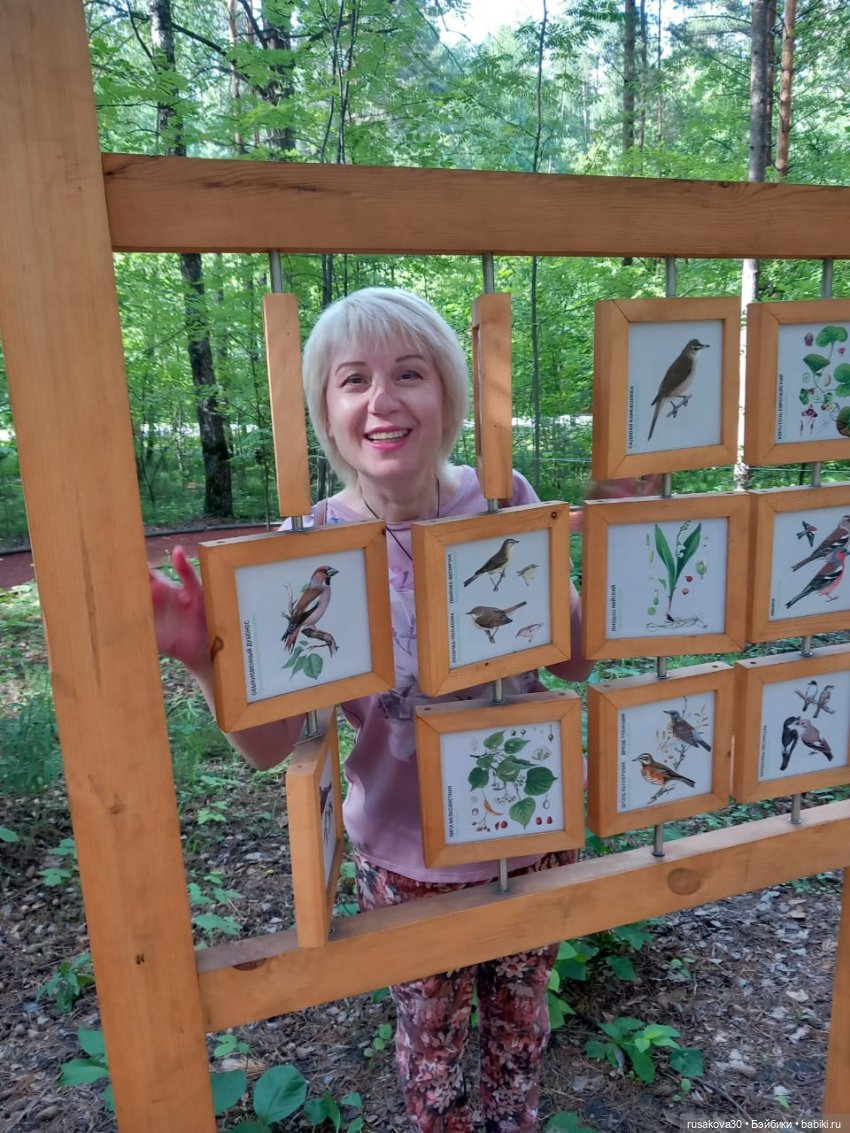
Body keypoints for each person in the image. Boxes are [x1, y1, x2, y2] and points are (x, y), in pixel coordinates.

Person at [149, 287, 593, 1133]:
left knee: (519, 1028)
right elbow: (271, 744)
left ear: (449, 396)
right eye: (353, 379)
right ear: (326, 410)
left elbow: (572, 658)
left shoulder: (500, 497)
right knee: (431, 1045)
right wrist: (202, 655)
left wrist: (553, 551)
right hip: (406, 856)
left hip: (529, 830)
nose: (382, 400)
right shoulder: (309, 544)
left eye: (409, 374)